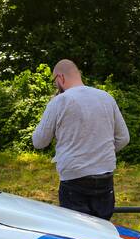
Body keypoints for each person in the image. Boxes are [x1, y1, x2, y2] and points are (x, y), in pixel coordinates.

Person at [32, 59, 129, 220]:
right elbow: (123, 138)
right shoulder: (106, 97)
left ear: (60, 78)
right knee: (103, 233)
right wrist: (100, 152)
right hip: (105, 177)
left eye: (54, 81)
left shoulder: (59, 101)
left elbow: (39, 141)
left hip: (74, 178)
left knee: (79, 236)